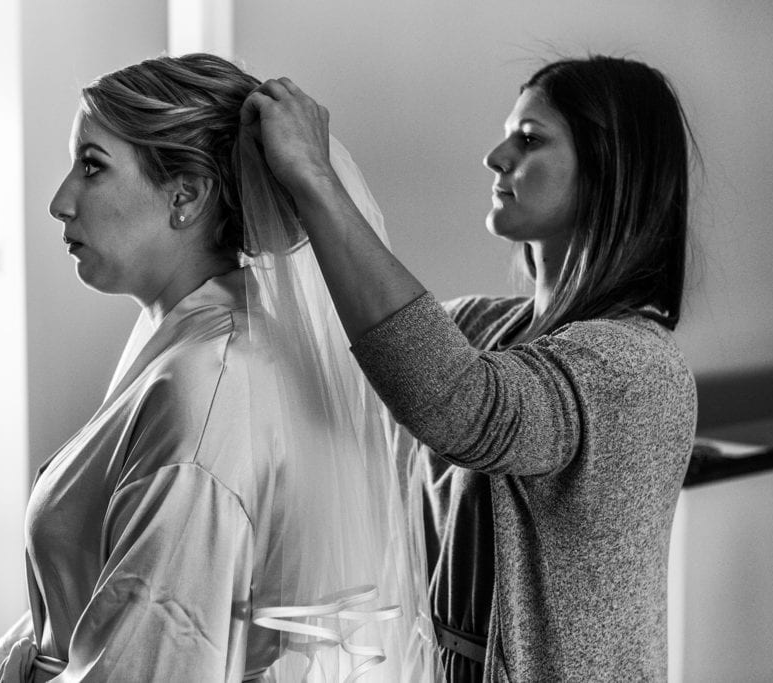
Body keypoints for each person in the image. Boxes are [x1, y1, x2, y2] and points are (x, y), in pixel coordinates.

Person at [0, 53, 438, 682]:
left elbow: (151, 661)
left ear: (185, 195)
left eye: (91, 167)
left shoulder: (202, 389)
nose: (60, 201)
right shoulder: (186, 341)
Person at [241, 55, 698, 681]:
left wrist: (316, 181)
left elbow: (454, 401)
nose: (497, 156)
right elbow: (374, 349)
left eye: (530, 139)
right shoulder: (489, 330)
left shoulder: (635, 367)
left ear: (609, 168)